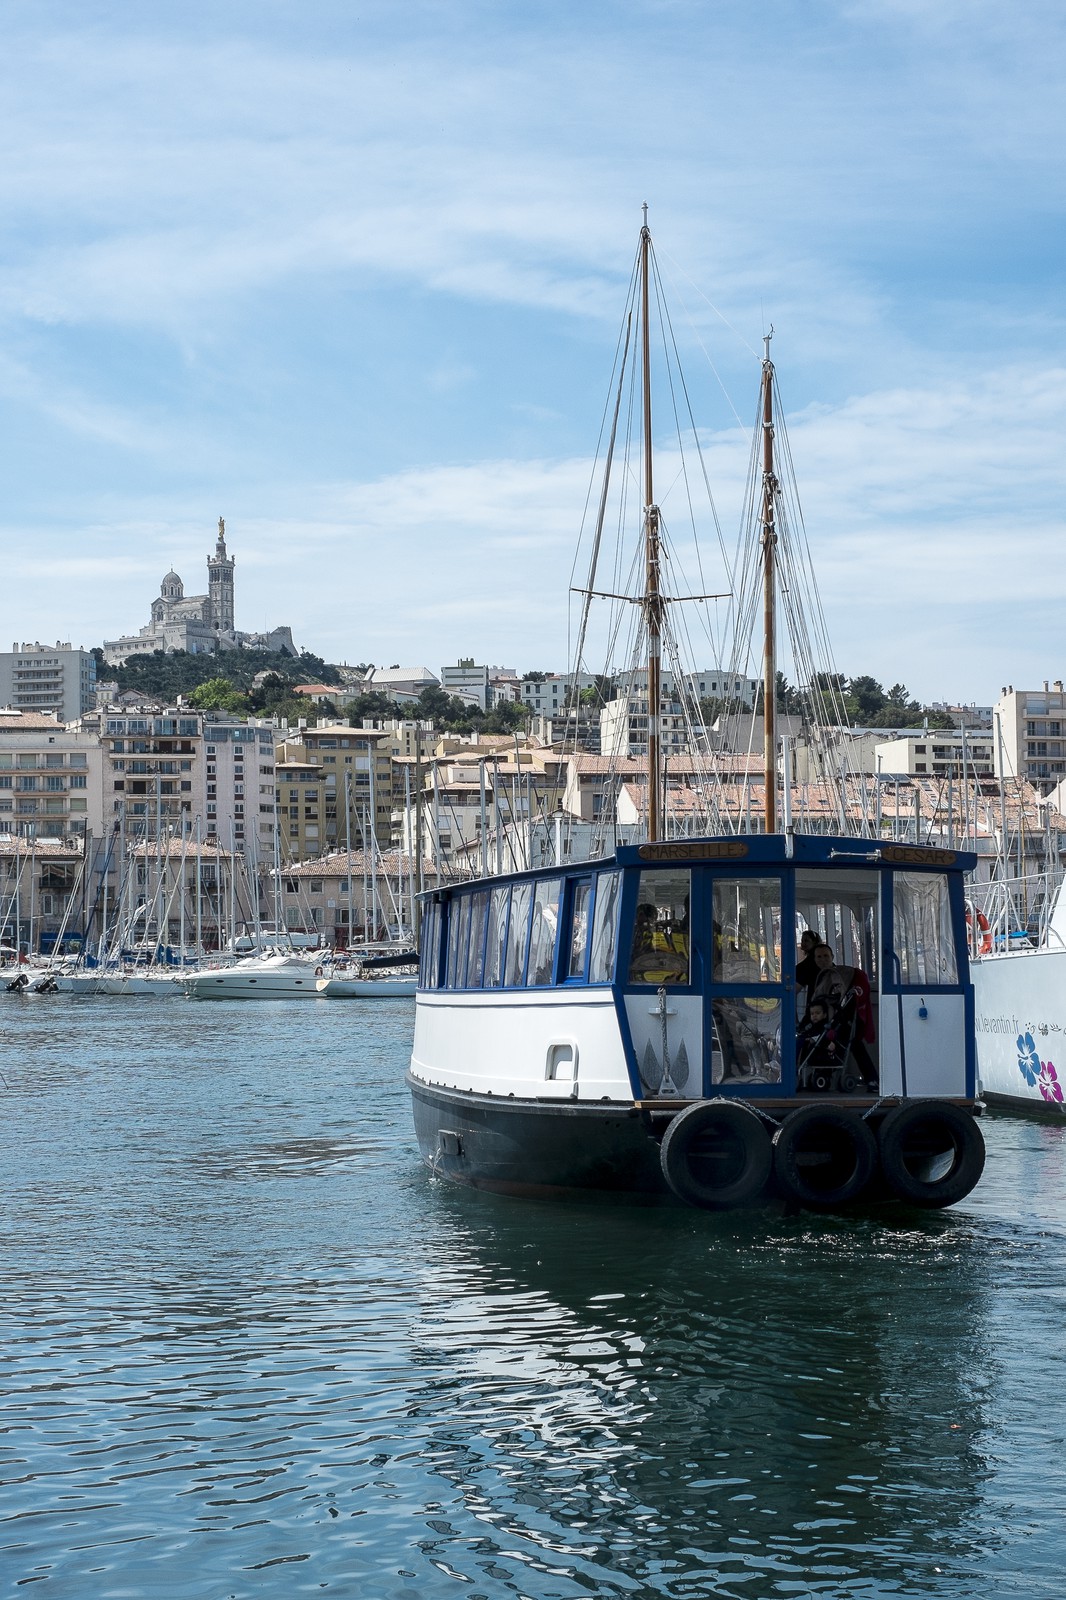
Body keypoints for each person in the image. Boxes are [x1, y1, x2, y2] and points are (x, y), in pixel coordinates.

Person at [808, 944, 878, 1090]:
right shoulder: (821, 978)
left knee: (849, 1042)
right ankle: (870, 1078)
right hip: (827, 1021)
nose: (822, 960)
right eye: (819, 957)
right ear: (814, 959)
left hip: (845, 1018)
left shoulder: (842, 975)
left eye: (826, 956)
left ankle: (871, 1078)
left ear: (832, 957)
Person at [795, 929, 824, 1015]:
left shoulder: (810, 963)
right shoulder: (809, 961)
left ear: (814, 942)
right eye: (802, 941)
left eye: (806, 940)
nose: (803, 943)